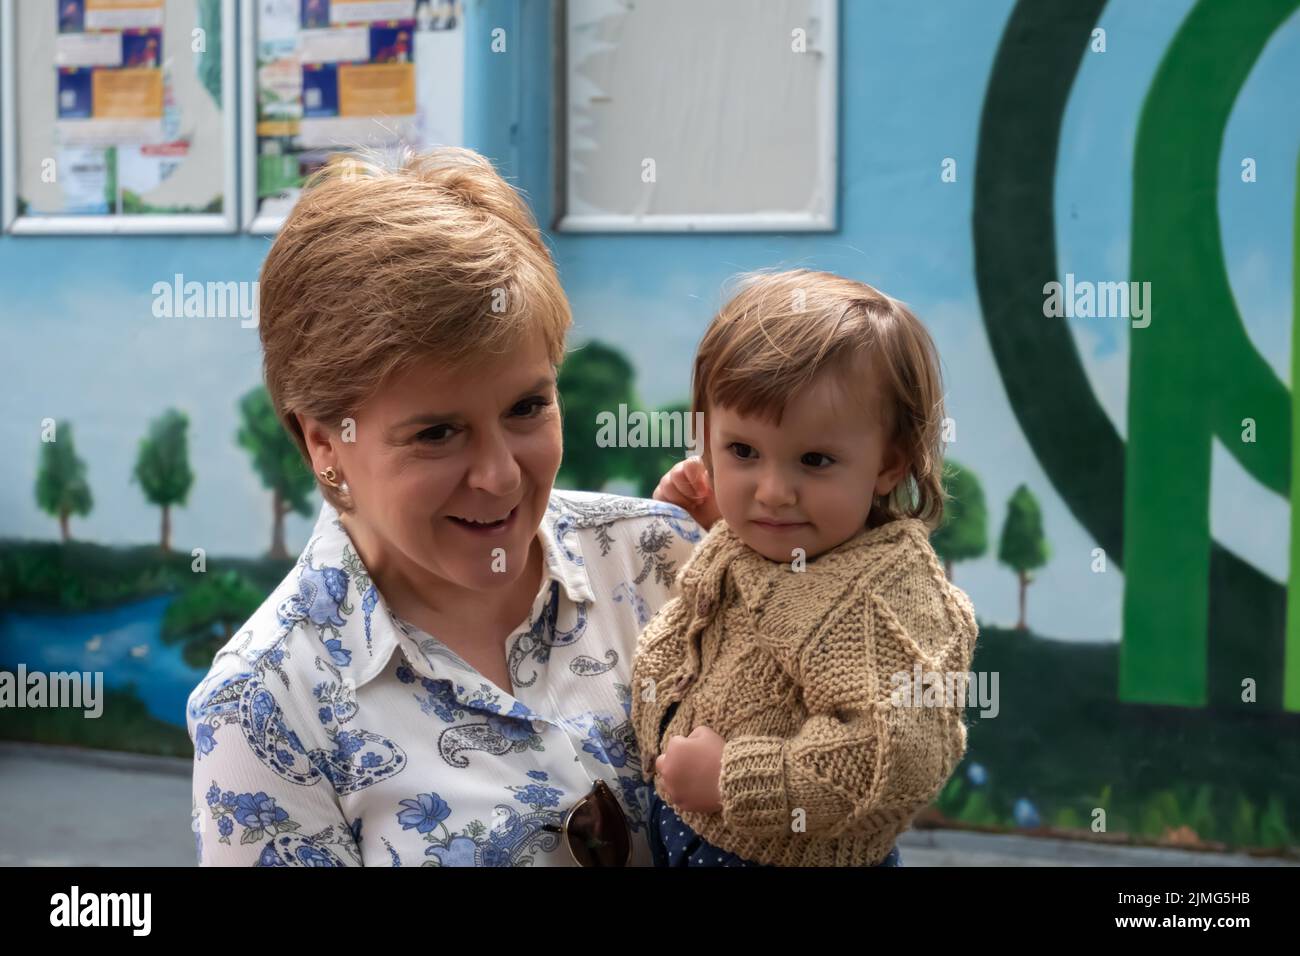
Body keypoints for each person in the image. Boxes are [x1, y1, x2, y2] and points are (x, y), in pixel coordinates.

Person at [186, 147, 701, 866]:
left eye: (527, 407)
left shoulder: (664, 564)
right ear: (322, 442)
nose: (499, 476)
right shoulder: (266, 709)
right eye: (436, 433)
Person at [634, 270, 980, 866]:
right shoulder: (763, 541)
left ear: (890, 464)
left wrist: (732, 780)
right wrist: (707, 522)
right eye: (742, 452)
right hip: (683, 829)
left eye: (814, 460)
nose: (771, 492)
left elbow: (893, 754)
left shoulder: (883, 599)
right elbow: (723, 629)